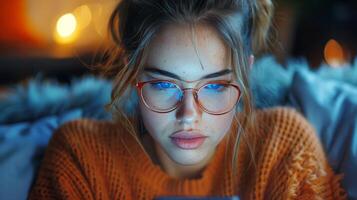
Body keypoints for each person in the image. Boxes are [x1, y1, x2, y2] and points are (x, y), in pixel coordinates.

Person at [29, 0, 346, 199]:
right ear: (133, 74)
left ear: (245, 75)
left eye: (214, 86)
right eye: (165, 85)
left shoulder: (283, 148)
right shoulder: (82, 158)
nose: (188, 115)